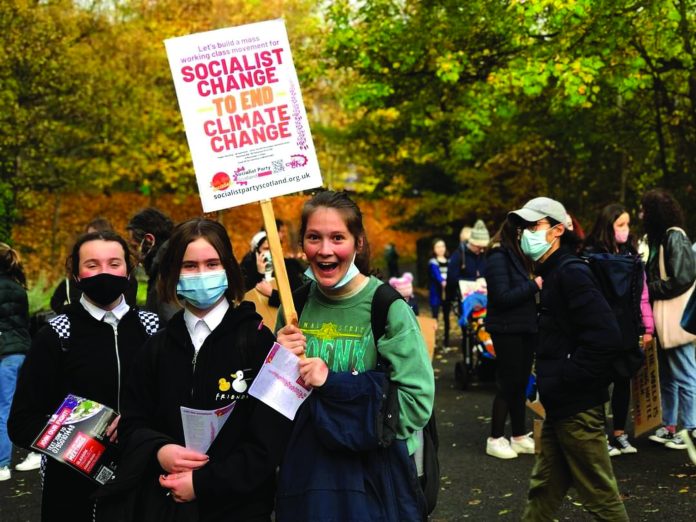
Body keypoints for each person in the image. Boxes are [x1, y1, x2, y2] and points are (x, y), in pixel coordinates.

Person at [98, 218, 292, 521]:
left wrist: (202, 483)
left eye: (212, 263)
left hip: (241, 509)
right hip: (167, 505)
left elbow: (268, 440)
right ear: (174, 272)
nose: (202, 274)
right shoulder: (156, 348)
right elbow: (133, 423)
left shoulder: (257, 341)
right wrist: (159, 451)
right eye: (190, 266)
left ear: (228, 268)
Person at [274, 190, 435, 521]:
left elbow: (416, 404)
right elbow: (276, 406)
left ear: (358, 242)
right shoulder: (294, 308)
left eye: (337, 237)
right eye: (313, 237)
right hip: (308, 480)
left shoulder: (387, 308)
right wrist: (277, 362)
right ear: (302, 243)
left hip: (371, 482)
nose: (325, 250)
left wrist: (335, 388)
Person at [8, 230, 158, 521]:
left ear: (129, 269)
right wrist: (82, 434)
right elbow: (22, 423)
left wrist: (138, 425)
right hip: (72, 489)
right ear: (75, 274)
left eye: (114, 263)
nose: (104, 272)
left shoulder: (151, 328)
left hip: (142, 480)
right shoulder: (56, 334)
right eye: (92, 264)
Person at [509, 197, 628, 521]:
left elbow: (606, 338)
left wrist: (566, 378)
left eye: (534, 226)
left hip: (577, 408)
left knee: (601, 499)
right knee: (543, 491)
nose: (525, 234)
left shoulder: (571, 273)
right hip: (562, 406)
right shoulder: (555, 271)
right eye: (523, 227)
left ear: (558, 230)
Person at [584, 203, 654, 456]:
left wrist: (648, 327)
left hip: (626, 325)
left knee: (623, 380)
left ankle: (620, 433)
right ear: (608, 226)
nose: (625, 230)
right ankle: (599, 433)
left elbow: (643, 295)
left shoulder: (631, 255)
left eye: (627, 224)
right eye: (620, 225)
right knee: (599, 382)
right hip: (601, 327)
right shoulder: (590, 256)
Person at [640, 189, 696, 449]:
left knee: (685, 374)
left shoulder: (674, 237)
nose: (641, 215)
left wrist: (651, 288)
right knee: (669, 376)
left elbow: (683, 277)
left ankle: (691, 427)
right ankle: (670, 426)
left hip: (675, 320)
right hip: (667, 321)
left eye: (644, 210)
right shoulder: (662, 238)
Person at [484, 216, 540, 460]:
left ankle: (518, 435)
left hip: (524, 327)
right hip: (506, 328)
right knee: (507, 383)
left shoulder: (520, 256)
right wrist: (534, 285)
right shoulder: (498, 256)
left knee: (520, 383)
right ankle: (495, 438)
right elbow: (502, 296)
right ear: (517, 232)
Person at [50, 217, 138, 313]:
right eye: (90, 236)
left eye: (114, 264)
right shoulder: (75, 278)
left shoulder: (126, 279)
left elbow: (129, 306)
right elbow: (56, 302)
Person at [0, 243, 31, 481]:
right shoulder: (19, 288)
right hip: (22, 352)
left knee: (3, 409)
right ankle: (34, 453)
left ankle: (1, 466)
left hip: (5, 356)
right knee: (21, 407)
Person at [126, 207, 178, 325]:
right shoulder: (163, 265)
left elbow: (170, 321)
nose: (135, 253)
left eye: (135, 247)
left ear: (149, 241)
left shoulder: (167, 271)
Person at [240, 220, 306, 307]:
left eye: (273, 248)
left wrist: (272, 294)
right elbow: (244, 297)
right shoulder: (247, 268)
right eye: (266, 248)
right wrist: (259, 274)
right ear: (257, 252)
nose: (270, 253)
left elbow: (300, 299)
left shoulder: (289, 266)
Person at [428, 238, 451, 346]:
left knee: (447, 317)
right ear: (433, 249)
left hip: (447, 293)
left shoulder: (449, 261)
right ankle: (434, 342)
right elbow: (436, 274)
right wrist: (442, 281)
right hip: (436, 294)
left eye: (442, 246)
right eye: (438, 247)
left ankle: (446, 340)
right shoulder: (433, 262)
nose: (440, 249)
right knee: (435, 317)